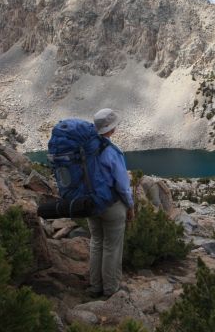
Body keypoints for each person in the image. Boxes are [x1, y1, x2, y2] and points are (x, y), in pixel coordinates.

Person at [86, 108, 135, 298]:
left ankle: (95, 286)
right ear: (111, 129)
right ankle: (111, 289)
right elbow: (122, 185)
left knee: (96, 242)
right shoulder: (112, 151)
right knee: (111, 247)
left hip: (90, 203)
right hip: (111, 205)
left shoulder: (85, 149)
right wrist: (130, 206)